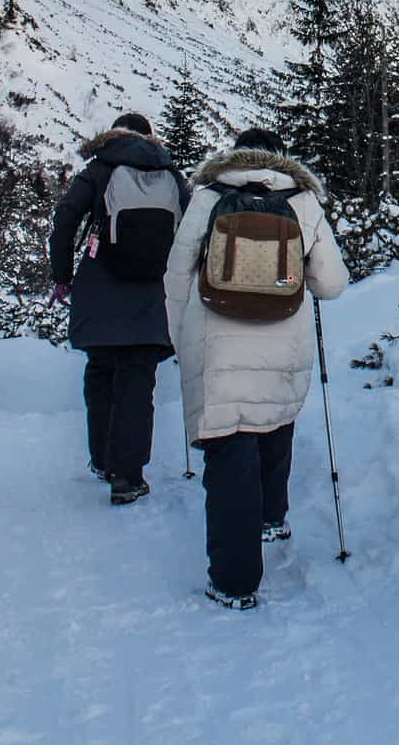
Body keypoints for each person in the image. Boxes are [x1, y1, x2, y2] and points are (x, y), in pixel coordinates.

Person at [165, 127, 348, 609]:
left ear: (235, 157)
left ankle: (234, 581)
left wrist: (180, 340)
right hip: (282, 342)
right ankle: (271, 516)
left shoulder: (208, 197)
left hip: (217, 345)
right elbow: (330, 284)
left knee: (229, 454)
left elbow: (177, 273)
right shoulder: (302, 201)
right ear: (281, 158)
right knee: (273, 422)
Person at [49, 112, 187, 506]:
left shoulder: (99, 168)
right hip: (151, 292)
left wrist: (63, 276)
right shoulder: (170, 173)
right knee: (138, 381)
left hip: (100, 286)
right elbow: (192, 228)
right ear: (149, 137)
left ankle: (102, 459)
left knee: (101, 371)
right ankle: (127, 477)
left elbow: (64, 220)